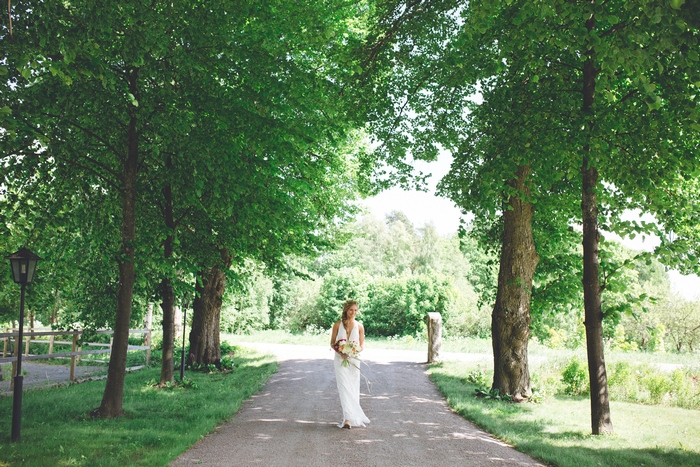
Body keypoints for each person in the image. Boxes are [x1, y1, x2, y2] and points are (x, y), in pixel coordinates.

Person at [330, 299, 370, 429]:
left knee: (353, 387)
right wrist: (341, 351)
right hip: (340, 359)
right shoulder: (337, 325)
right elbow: (332, 342)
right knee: (344, 387)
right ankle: (347, 418)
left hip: (353, 360)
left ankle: (353, 417)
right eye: (351, 310)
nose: (353, 312)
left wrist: (353, 350)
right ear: (346, 310)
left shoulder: (359, 326)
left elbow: (362, 345)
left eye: (355, 310)